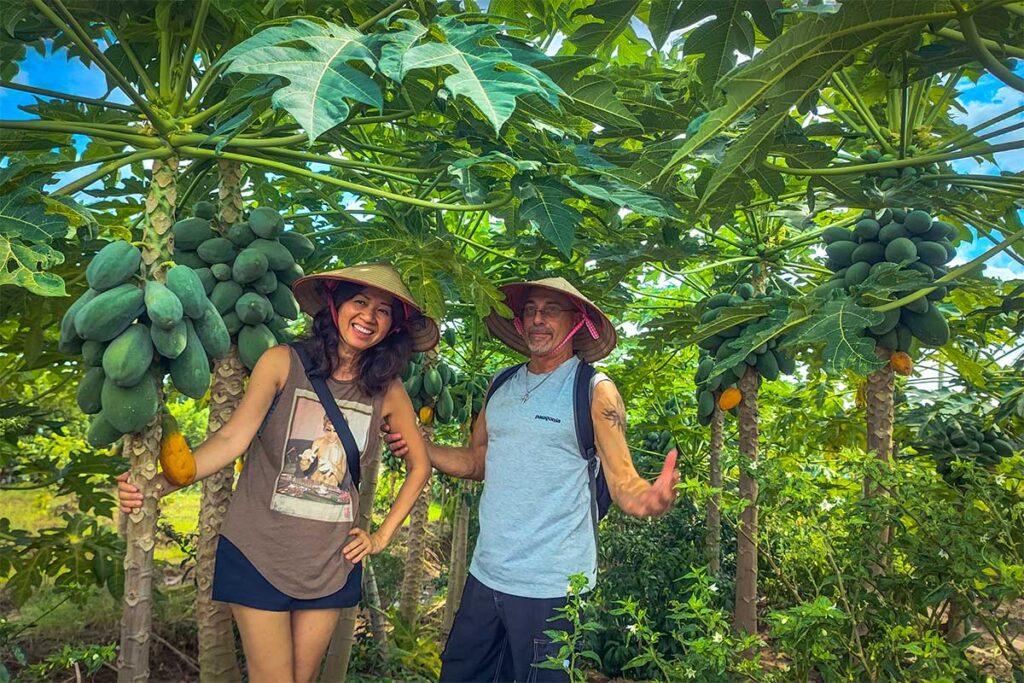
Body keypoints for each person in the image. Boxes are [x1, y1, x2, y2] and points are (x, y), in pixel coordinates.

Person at [117, 263, 435, 683]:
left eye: (383, 311)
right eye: (360, 302)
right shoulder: (282, 362)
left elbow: (420, 466)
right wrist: (159, 485)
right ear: (335, 304)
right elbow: (233, 440)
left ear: (393, 327)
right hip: (259, 552)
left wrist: (380, 536)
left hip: (331, 562)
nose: (369, 317)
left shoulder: (388, 390)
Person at [384, 277, 679, 682]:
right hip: (487, 572)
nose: (538, 319)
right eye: (530, 309)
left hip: (551, 585)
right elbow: (477, 461)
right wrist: (419, 447)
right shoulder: (501, 383)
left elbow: (622, 478)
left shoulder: (594, 390)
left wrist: (650, 499)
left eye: (551, 310)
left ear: (577, 322)